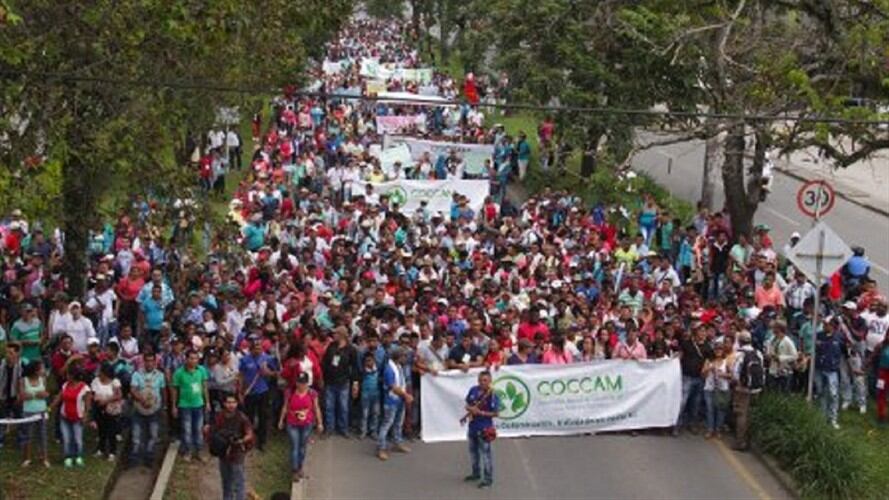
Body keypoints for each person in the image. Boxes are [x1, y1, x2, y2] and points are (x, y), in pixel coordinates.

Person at [278, 372, 323, 482]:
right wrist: (281, 420)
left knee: (302, 447)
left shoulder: (312, 393)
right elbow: (285, 406)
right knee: (295, 446)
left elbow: (316, 408)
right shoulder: (290, 392)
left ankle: (300, 467)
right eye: (299, 382)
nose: (300, 385)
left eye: (303, 383)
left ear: (307, 383)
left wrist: (319, 423)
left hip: (307, 423)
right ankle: (294, 470)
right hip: (292, 422)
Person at [209, 393, 255, 500]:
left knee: (239, 481)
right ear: (224, 404)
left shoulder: (242, 417)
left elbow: (249, 433)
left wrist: (241, 440)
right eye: (228, 402)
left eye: (233, 402)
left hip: (237, 453)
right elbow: (212, 430)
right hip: (223, 453)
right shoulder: (219, 416)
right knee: (226, 481)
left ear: (237, 403)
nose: (231, 405)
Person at [238, 337, 277, 451]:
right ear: (251, 349)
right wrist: (240, 391)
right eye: (255, 348)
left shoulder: (268, 358)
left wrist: (268, 372)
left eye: (260, 348)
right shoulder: (245, 360)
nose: (258, 350)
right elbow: (240, 375)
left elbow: (276, 373)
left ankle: (262, 442)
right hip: (249, 393)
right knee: (249, 418)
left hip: (263, 391)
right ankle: (249, 440)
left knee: (263, 417)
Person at [463, 370, 499, 489]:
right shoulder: (473, 390)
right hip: (472, 426)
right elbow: (467, 404)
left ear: (490, 381)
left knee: (486, 455)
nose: (482, 382)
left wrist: (481, 412)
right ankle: (476, 473)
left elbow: (496, 413)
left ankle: (488, 479)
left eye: (485, 380)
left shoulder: (492, 395)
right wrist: (470, 409)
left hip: (485, 428)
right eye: (480, 380)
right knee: (473, 453)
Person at [172, 349, 210, 461]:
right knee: (186, 429)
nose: (193, 361)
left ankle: (199, 451)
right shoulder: (179, 373)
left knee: (198, 429)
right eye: (191, 358)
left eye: (196, 358)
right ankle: (187, 451)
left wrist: (207, 402)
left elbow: (204, 387)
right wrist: (174, 405)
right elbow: (175, 390)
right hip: (184, 405)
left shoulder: (202, 370)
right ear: (186, 359)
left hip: (198, 404)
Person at [130, 350, 167, 467]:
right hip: (139, 408)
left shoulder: (160, 375)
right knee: (136, 435)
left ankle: (149, 457)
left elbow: (163, 391)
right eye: (147, 361)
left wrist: (164, 406)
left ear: (155, 362)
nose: (149, 363)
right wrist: (142, 400)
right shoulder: (136, 374)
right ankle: (134, 459)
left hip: (154, 409)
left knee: (153, 434)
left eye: (152, 361)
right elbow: (133, 389)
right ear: (143, 362)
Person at [52, 367, 92, 467]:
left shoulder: (85, 388)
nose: (66, 377)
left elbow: (88, 404)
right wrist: (50, 407)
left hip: (78, 417)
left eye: (68, 375)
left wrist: (85, 416)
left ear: (74, 376)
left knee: (77, 439)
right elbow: (59, 398)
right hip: (64, 416)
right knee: (66, 438)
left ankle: (78, 456)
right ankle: (68, 457)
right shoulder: (65, 385)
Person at [377, 347, 412, 461]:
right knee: (387, 424)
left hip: (399, 400)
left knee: (398, 423)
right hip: (391, 400)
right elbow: (393, 387)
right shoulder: (389, 369)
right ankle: (381, 448)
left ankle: (397, 442)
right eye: (404, 356)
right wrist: (406, 395)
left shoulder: (398, 367)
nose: (405, 358)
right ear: (398, 357)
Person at [732, 331, 763, 451]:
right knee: (752, 414)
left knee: (741, 415)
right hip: (756, 389)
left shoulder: (739, 354)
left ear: (740, 341)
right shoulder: (758, 353)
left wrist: (737, 384)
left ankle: (740, 442)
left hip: (742, 389)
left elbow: (735, 373)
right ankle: (751, 441)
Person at [19, 359, 50, 467]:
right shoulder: (24, 380)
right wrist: (33, 395)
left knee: (42, 435)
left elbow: (46, 393)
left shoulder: (43, 380)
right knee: (27, 435)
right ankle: (27, 458)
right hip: (28, 411)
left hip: (41, 411)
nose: (43, 370)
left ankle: (45, 458)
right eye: (41, 368)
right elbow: (22, 396)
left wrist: (45, 395)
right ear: (35, 370)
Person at [815, 317, 844, 429]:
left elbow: (844, 352)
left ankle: (833, 419)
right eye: (824, 324)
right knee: (821, 392)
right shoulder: (819, 335)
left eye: (827, 324)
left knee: (833, 394)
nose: (824, 326)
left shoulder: (839, 337)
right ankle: (822, 417)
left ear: (833, 325)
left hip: (832, 370)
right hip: (819, 368)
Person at [90, 362, 123, 460]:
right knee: (101, 430)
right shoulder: (96, 381)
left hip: (111, 409)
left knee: (111, 431)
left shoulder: (114, 382)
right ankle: (101, 449)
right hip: (99, 408)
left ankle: (112, 451)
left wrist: (107, 400)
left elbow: (119, 395)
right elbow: (92, 393)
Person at [702, 344, 731, 439]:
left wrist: (723, 374)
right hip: (709, 388)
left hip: (722, 389)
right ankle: (710, 429)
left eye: (720, 349)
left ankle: (718, 429)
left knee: (720, 410)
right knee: (710, 409)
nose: (718, 351)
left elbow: (732, 375)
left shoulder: (726, 361)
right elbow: (702, 374)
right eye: (716, 349)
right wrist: (709, 369)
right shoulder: (709, 361)